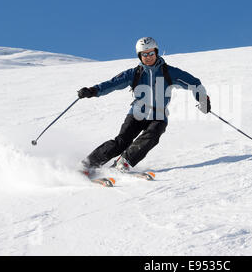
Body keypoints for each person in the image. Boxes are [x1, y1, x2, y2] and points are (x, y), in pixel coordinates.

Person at [77, 37, 210, 175]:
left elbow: (194, 83)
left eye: (151, 53)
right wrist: (93, 90)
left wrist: (203, 100)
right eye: (144, 54)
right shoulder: (134, 73)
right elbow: (112, 83)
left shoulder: (169, 72)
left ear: (156, 52)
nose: (148, 57)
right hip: (137, 113)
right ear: (139, 56)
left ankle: (124, 162)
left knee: (152, 136)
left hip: (159, 114)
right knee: (121, 142)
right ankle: (87, 165)